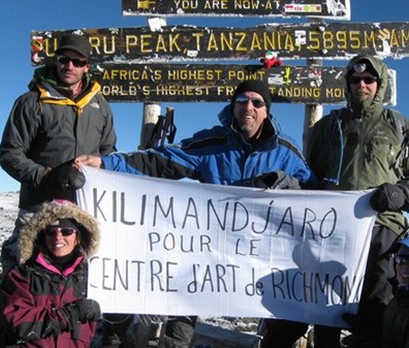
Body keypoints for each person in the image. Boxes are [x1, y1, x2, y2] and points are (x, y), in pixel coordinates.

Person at [75, 79, 317, 348]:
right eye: (242, 101)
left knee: (285, 315)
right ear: (233, 106)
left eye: (257, 102)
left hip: (264, 251)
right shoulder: (211, 143)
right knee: (185, 284)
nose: (248, 107)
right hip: (211, 246)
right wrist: (106, 162)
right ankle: (175, 343)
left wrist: (287, 184)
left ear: (266, 111)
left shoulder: (286, 151)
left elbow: (313, 193)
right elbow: (159, 160)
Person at [261, 54, 409, 347]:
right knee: (324, 303)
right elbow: (309, 174)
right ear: (348, 85)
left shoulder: (401, 127)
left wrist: (401, 193)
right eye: (355, 80)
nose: (362, 85)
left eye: (369, 80)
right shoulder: (328, 126)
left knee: (375, 306)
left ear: (380, 85)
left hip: (381, 227)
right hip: (331, 226)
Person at [0, 33, 117, 277]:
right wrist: (46, 176)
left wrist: (101, 166)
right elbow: (10, 153)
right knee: (23, 269)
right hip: (38, 204)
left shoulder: (100, 106)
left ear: (87, 67)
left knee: (81, 274)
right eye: (64, 60)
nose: (70, 66)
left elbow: (109, 152)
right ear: (56, 61)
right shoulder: (32, 102)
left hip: (84, 206)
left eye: (78, 61)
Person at [0, 199, 102, 347]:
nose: (58, 237)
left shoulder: (94, 277)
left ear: (78, 237)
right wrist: (71, 314)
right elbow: (17, 321)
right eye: (51, 231)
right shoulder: (22, 275)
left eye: (67, 231)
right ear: (42, 236)